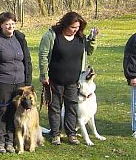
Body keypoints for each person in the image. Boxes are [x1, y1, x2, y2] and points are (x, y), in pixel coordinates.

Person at [39, 11, 97, 145]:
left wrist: (93, 39)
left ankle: (71, 134)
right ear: (65, 24)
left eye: (77, 28)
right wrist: (44, 74)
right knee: (55, 107)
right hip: (54, 79)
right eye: (72, 27)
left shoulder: (80, 38)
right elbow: (43, 55)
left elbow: (89, 50)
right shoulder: (52, 36)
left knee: (72, 107)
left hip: (74, 81)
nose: (75, 30)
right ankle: (55, 134)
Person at [0, 12, 32, 153]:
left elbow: (27, 61)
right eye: (7, 24)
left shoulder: (20, 38)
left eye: (12, 23)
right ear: (1, 25)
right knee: (1, 112)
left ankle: (10, 141)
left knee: (15, 111)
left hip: (20, 83)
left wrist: (27, 83)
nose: (10, 26)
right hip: (3, 82)